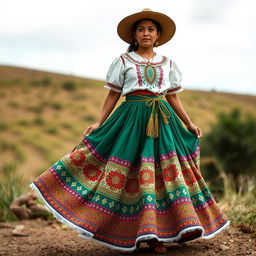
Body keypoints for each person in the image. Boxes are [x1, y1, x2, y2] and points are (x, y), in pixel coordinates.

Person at [30, 8, 230, 254]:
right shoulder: (123, 61)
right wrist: (99, 122)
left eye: (151, 29)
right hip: (131, 121)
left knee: (160, 174)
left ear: (158, 36)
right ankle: (138, 232)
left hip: (163, 122)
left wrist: (188, 123)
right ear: (134, 35)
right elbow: (113, 94)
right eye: (141, 29)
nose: (146, 33)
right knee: (131, 174)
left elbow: (173, 97)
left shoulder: (168, 64)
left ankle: (160, 233)